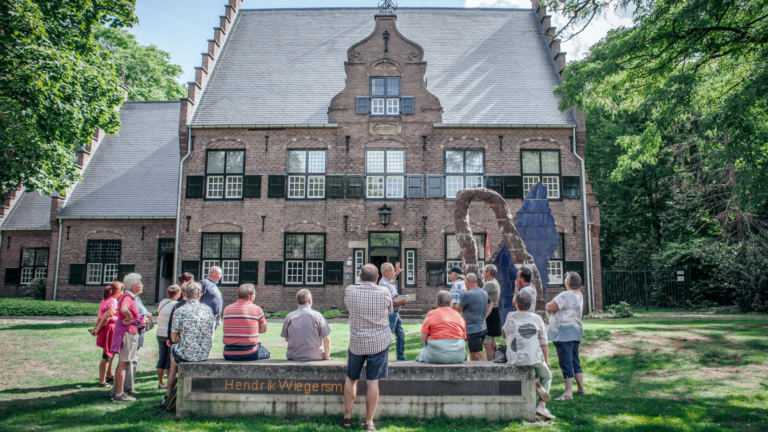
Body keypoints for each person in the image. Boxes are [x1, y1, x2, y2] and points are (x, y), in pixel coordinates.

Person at [340, 264, 393, 431]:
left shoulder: (350, 291)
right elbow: (389, 311)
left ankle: (347, 418)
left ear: (360, 277)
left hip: (357, 341)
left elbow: (348, 307)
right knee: (373, 382)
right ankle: (369, 422)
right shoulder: (385, 292)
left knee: (351, 378)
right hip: (379, 342)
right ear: (377, 278)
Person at [503, 291, 554, 420]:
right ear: (530, 304)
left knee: (534, 368)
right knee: (547, 375)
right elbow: (543, 342)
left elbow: (504, 334)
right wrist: (546, 360)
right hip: (534, 358)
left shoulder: (510, 316)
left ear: (517, 304)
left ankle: (534, 381)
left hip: (514, 358)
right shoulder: (537, 318)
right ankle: (541, 405)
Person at [164, 282, 215, 402]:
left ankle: (168, 394)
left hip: (186, 354)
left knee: (173, 359)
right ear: (199, 294)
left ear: (184, 294)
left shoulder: (180, 311)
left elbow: (173, 338)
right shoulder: (208, 310)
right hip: (203, 353)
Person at [546, 271, 586, 401]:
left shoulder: (565, 294)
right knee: (575, 360)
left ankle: (568, 392)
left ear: (567, 282)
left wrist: (546, 305)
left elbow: (550, 307)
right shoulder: (579, 295)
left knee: (565, 361)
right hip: (576, 331)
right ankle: (581, 388)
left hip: (563, 332)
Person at [110, 273, 147, 403]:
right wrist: (130, 318)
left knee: (124, 362)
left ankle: (117, 391)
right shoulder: (127, 297)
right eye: (139, 283)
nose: (142, 285)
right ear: (133, 287)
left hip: (129, 331)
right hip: (127, 332)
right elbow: (124, 308)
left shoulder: (130, 297)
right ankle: (119, 394)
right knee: (124, 362)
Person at [221, 283, 270, 360]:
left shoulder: (227, 309)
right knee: (266, 353)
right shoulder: (256, 309)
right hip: (249, 352)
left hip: (228, 352)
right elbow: (263, 329)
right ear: (251, 296)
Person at [416, 290, 466, 364]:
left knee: (421, 354)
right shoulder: (458, 315)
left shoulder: (431, 314)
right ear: (450, 302)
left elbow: (423, 337)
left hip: (435, 354)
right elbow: (463, 337)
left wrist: (428, 346)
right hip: (458, 355)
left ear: (437, 302)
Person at [281, 289, 332, 361]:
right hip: (314, 356)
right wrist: (326, 356)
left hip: (293, 356)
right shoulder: (318, 316)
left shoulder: (289, 317)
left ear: (297, 301)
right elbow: (327, 339)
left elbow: (287, 338)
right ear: (310, 300)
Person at [90, 281, 123, 388]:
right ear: (118, 291)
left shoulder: (105, 300)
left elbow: (99, 316)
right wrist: (97, 330)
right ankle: (102, 381)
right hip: (109, 330)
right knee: (107, 355)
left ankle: (109, 375)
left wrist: (96, 328)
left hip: (107, 329)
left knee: (111, 353)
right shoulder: (113, 302)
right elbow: (105, 318)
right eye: (122, 290)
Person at [455, 273, 493, 361]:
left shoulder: (467, 295)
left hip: (473, 330)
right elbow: (491, 304)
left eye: (464, 282)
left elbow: (457, 310)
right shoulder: (483, 292)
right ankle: (472, 373)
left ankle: (486, 372)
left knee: (478, 354)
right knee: (473, 353)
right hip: (483, 328)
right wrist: (484, 316)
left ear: (467, 281)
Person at [380, 262, 407, 361]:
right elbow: (385, 302)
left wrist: (397, 273)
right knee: (387, 337)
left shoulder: (388, 282)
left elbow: (392, 280)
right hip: (390, 314)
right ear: (385, 272)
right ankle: (383, 358)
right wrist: (399, 303)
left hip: (396, 313)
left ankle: (401, 357)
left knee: (401, 335)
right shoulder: (383, 284)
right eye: (392, 270)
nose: (394, 272)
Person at [156, 285, 181, 389]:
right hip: (168, 334)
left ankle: (161, 382)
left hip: (159, 332)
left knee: (162, 358)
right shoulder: (175, 305)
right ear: (177, 294)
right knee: (170, 359)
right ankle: (169, 382)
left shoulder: (162, 302)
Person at [482, 264, 502, 361]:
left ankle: (489, 364)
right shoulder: (496, 282)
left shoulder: (488, 284)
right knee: (492, 340)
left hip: (489, 314)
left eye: (483, 271)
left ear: (488, 273)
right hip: (495, 312)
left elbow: (480, 296)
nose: (482, 273)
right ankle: (495, 359)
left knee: (487, 342)